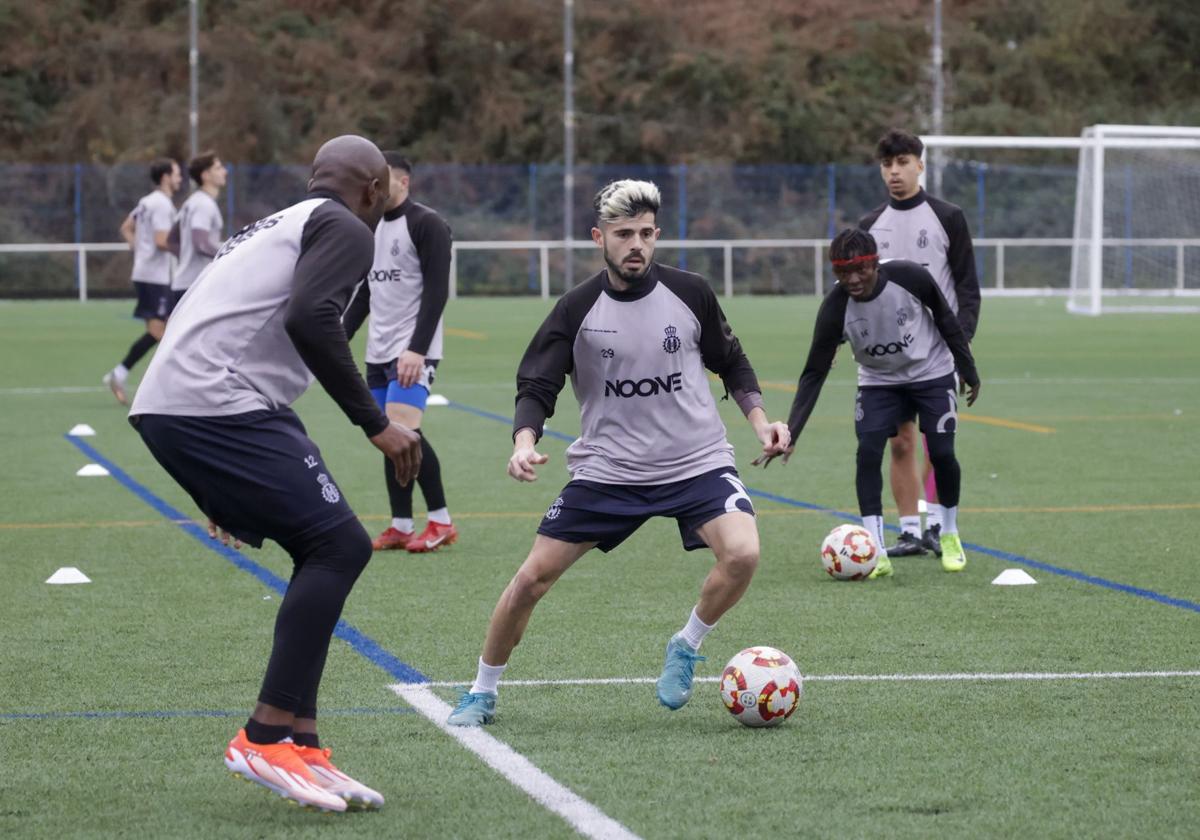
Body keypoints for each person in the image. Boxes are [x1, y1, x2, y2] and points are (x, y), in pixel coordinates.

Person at [129, 135, 422, 812]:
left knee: (320, 548)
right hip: (214, 405)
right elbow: (307, 318)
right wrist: (374, 422)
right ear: (373, 190)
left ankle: (301, 742)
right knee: (339, 545)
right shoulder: (346, 226)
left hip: (189, 406)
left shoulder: (280, 223)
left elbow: (292, 321)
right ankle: (263, 735)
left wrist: (215, 475)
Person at [446, 179, 791, 727]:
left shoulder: (691, 292)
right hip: (610, 471)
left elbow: (733, 362)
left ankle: (686, 642)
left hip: (696, 462)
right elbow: (537, 384)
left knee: (744, 553)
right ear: (599, 237)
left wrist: (760, 422)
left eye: (646, 234)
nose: (637, 244)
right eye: (624, 233)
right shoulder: (577, 308)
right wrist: (523, 442)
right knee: (532, 579)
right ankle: (481, 692)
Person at [756, 228, 980, 577]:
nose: (854, 279)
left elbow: (946, 320)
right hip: (879, 381)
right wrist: (792, 433)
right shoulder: (835, 308)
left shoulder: (910, 277)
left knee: (942, 453)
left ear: (875, 263)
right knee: (869, 453)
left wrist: (968, 369)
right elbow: (814, 372)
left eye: (861, 269)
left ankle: (949, 532)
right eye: (844, 272)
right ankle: (876, 550)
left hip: (931, 371)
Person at [859, 128, 981, 559]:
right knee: (900, 442)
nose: (895, 172)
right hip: (889, 361)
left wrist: (960, 341)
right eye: (888, 165)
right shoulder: (870, 226)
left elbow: (968, 287)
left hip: (936, 355)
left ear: (920, 165)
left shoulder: (948, 217)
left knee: (937, 442)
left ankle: (938, 525)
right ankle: (910, 530)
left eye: (903, 163)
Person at [343, 152, 457, 554]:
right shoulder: (367, 227)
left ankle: (441, 521)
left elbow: (437, 292)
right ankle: (401, 525)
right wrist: (337, 337)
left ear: (403, 182)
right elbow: (365, 293)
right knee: (388, 438)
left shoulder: (426, 224)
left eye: (382, 178)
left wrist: (417, 350)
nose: (373, 186)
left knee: (406, 432)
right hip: (378, 353)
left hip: (412, 352)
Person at [102, 157, 182, 405]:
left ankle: (121, 374)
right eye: (177, 173)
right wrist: (186, 252)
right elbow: (160, 240)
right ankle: (126, 375)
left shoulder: (146, 202)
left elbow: (126, 226)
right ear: (166, 177)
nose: (180, 178)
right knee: (161, 332)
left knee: (167, 330)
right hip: (153, 277)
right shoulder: (161, 205)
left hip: (148, 273)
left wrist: (138, 249)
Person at [170, 151, 227, 307]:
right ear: (206, 175)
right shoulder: (204, 204)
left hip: (185, 283)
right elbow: (200, 244)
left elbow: (172, 240)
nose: (225, 171)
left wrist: (186, 260)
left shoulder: (192, 201)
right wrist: (229, 254)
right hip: (196, 286)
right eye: (218, 168)